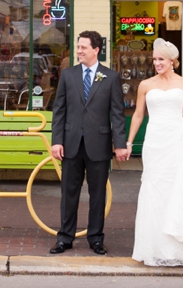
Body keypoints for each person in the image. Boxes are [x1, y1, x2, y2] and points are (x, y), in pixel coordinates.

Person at [122, 38, 183, 266]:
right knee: (155, 189)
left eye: (161, 59)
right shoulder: (145, 85)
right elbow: (138, 115)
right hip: (155, 142)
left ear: (172, 61)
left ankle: (181, 249)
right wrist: (129, 142)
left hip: (176, 140)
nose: (157, 63)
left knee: (177, 189)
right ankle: (154, 247)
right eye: (154, 59)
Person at [49, 30, 128, 255]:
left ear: (96, 50)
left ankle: (95, 238)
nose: (79, 51)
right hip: (71, 144)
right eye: (78, 46)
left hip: (99, 145)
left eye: (83, 47)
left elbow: (117, 113)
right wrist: (57, 141)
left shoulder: (110, 77)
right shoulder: (68, 75)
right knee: (68, 193)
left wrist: (119, 143)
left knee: (98, 195)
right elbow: (59, 111)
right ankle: (65, 238)